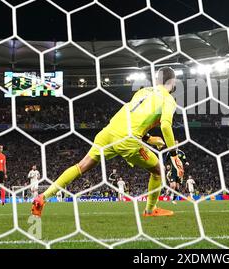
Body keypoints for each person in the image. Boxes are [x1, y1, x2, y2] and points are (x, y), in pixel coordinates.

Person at [31, 67, 183, 217]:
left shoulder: (143, 91)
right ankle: (150, 210)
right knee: (159, 171)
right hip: (128, 140)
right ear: (173, 82)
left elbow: (133, 118)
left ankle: (42, 197)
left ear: (157, 79)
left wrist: (148, 138)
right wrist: (174, 155)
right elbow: (165, 125)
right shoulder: (168, 100)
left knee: (81, 166)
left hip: (109, 131)